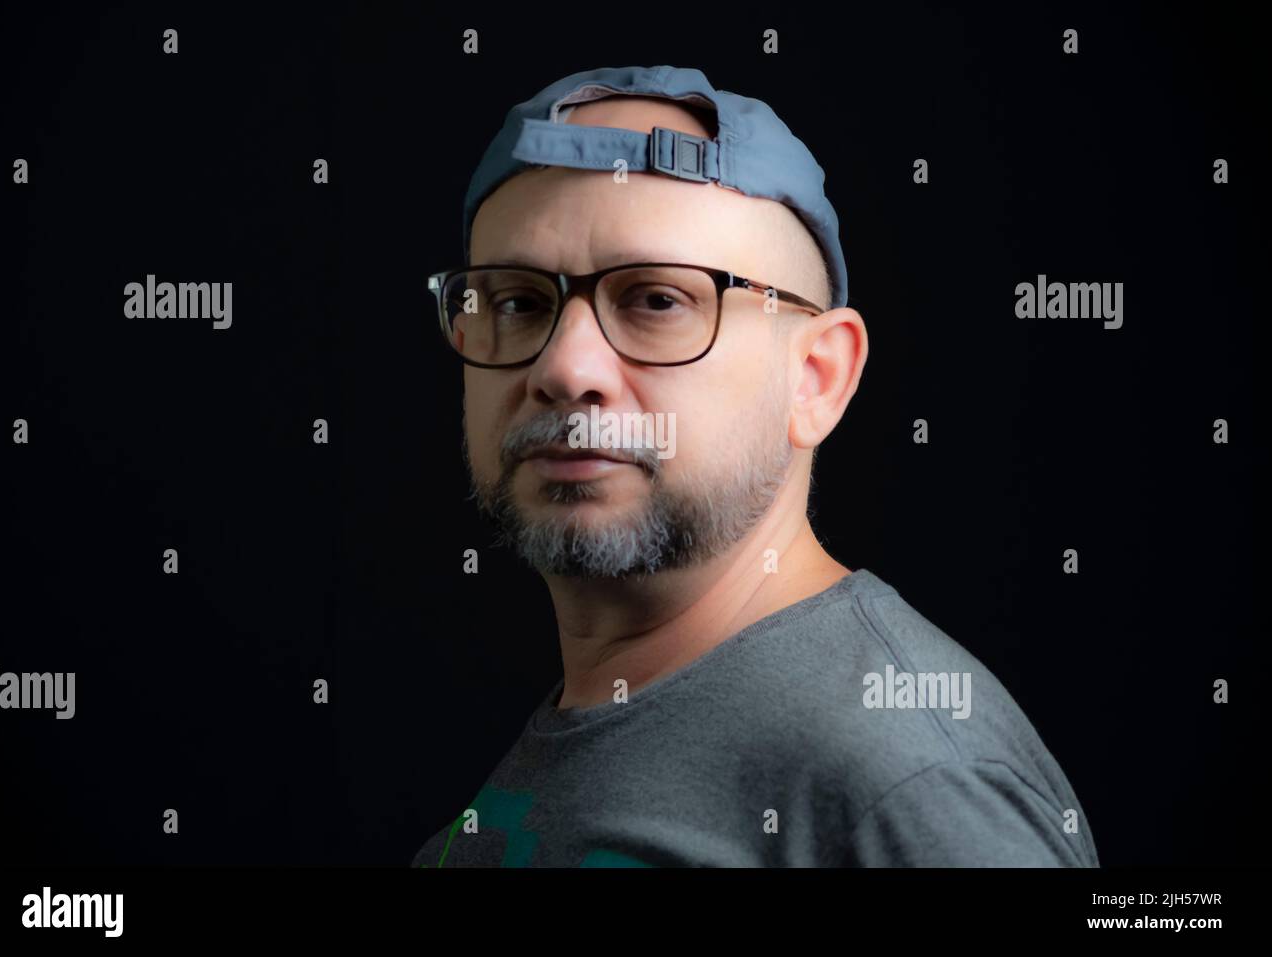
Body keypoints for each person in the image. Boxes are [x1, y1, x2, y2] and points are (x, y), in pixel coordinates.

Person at [413, 65, 1099, 867]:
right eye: (517, 302)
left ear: (816, 379)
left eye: (657, 300)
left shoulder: (910, 775)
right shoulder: (595, 719)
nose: (566, 368)